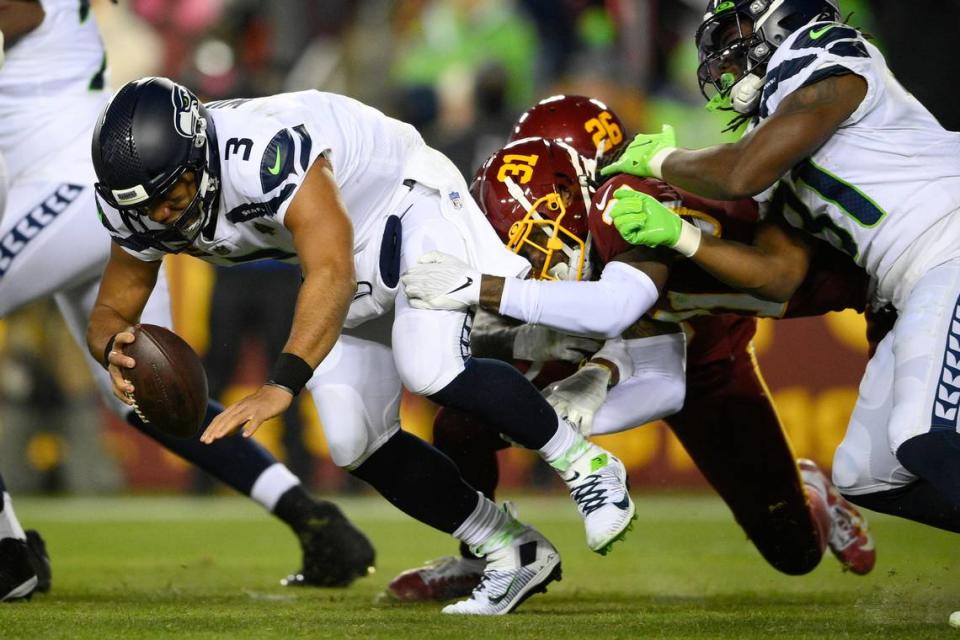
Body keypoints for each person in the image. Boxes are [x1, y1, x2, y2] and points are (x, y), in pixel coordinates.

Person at [86, 77, 636, 615]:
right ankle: (509, 547)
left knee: (429, 367)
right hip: (339, 256)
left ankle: (585, 465)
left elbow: (331, 267)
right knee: (354, 439)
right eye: (147, 204)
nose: (161, 214)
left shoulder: (261, 151)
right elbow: (111, 309)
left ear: (199, 156)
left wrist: (281, 385)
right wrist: (114, 347)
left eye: (172, 193)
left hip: (405, 204)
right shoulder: (138, 205)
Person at [395, 132, 875, 600]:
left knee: (796, 551)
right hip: (647, 340)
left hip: (722, 352)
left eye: (535, 237)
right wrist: (559, 409)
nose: (532, 260)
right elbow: (646, 351)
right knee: (462, 424)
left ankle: (811, 490)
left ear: (569, 189)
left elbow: (623, 316)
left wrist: (486, 291)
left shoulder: (623, 203)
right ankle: (489, 554)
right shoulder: (598, 235)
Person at [0, 0, 374, 596]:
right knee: (149, 392)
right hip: (100, 193)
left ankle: (7, 553)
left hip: (89, 191)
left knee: (152, 386)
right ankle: (314, 520)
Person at [598, 0, 960, 531]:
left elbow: (742, 172)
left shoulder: (822, 51)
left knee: (921, 435)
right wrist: (684, 237)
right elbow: (779, 274)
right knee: (868, 472)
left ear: (780, 15)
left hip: (949, 242)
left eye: (734, 31)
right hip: (922, 273)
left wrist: (661, 161)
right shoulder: (780, 142)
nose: (723, 57)